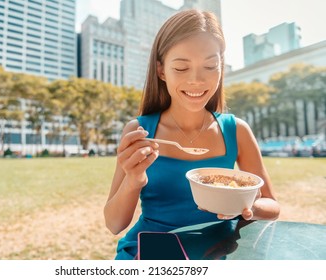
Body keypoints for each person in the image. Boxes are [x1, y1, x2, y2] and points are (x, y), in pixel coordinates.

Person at [104, 9, 280, 260]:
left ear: (221, 68)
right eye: (181, 67)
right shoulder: (141, 131)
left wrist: (245, 205)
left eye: (210, 66)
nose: (197, 80)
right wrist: (134, 179)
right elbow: (114, 224)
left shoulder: (236, 130)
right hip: (152, 252)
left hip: (218, 252)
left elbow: (272, 206)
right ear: (161, 70)